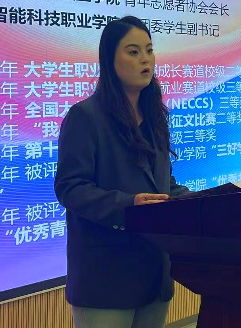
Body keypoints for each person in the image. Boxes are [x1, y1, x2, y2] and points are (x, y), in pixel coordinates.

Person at [54, 16, 190, 328]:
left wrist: (199, 201)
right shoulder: (85, 117)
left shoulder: (154, 116)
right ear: (109, 60)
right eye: (133, 52)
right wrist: (128, 205)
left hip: (154, 271)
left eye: (149, 50)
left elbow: (162, 184)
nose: (145, 59)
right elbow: (70, 187)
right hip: (106, 277)